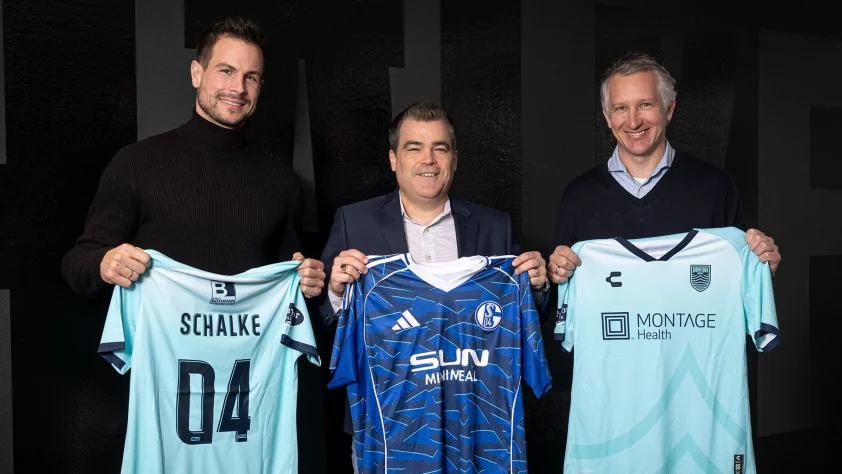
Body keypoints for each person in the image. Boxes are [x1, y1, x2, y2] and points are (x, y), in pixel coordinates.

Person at [316, 101, 550, 472]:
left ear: (454, 159)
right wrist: (335, 293)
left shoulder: (495, 227)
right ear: (393, 159)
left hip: (475, 428)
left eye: (440, 148)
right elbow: (323, 323)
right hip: (388, 430)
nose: (428, 160)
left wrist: (536, 287)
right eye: (414, 148)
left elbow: (518, 323)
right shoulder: (353, 222)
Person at [61, 17, 325, 298]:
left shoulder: (283, 182)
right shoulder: (135, 163)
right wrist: (105, 263)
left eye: (250, 77)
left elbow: (289, 284)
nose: (238, 88)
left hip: (251, 329)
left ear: (260, 86)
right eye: (226, 71)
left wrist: (306, 282)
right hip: (158, 328)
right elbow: (77, 265)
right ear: (196, 73)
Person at [547, 52, 781, 285]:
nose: (633, 122)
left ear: (669, 109)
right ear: (607, 117)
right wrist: (552, 279)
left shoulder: (716, 189)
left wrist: (760, 270)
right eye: (621, 108)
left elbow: (739, 282)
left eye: (645, 104)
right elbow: (561, 295)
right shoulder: (578, 196)